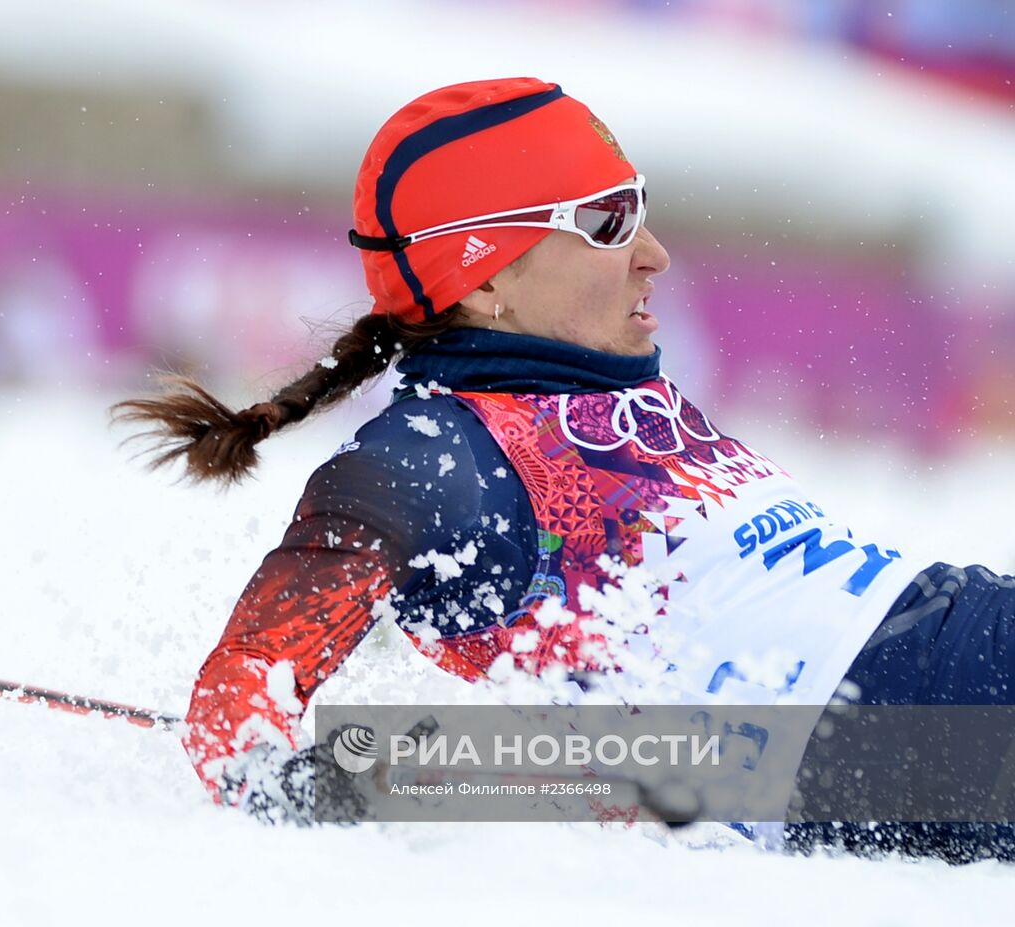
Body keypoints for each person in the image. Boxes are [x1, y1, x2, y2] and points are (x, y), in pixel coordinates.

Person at [114, 77, 1015, 860]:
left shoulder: (593, 378)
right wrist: (339, 777)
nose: (654, 254)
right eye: (608, 222)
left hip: (952, 650)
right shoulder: (431, 453)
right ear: (482, 279)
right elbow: (240, 708)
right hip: (910, 730)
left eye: (639, 208)